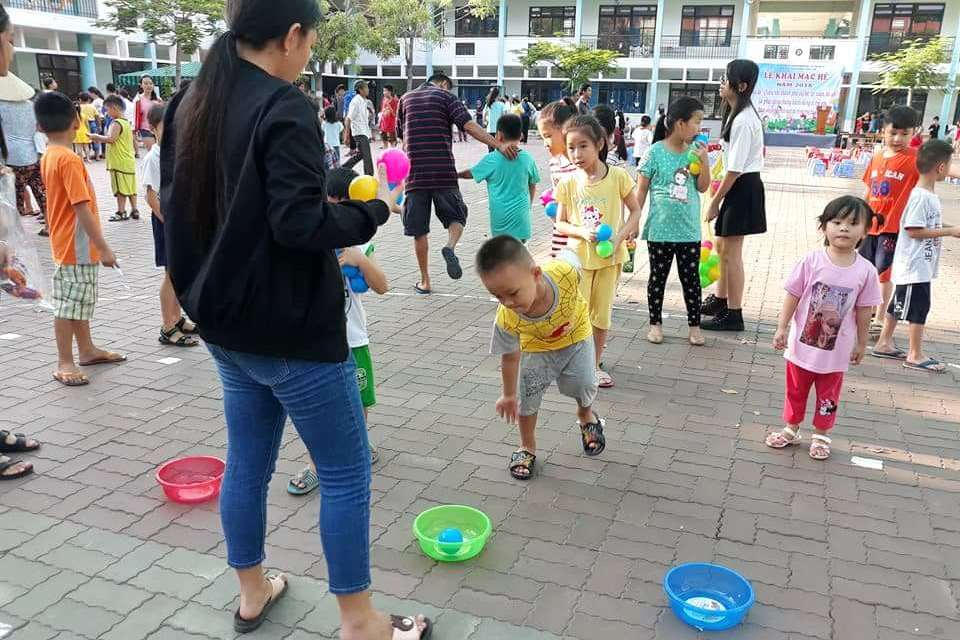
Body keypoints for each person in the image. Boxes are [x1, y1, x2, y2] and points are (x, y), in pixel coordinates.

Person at [163, 0, 431, 636]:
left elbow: (201, 205)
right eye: (310, 42)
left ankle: (252, 592)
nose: (309, 55)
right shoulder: (284, 105)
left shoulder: (189, 100)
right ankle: (360, 622)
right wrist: (372, 213)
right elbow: (299, 224)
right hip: (291, 333)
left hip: (224, 325)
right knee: (345, 473)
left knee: (248, 461)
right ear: (290, 36)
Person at [288, 168, 391, 494]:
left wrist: (361, 260)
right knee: (316, 407)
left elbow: (382, 286)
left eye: (344, 207)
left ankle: (359, 444)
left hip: (354, 340)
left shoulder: (361, 245)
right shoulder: (311, 241)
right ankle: (315, 464)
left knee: (359, 402)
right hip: (316, 342)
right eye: (331, 205)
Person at [476, 236, 606, 480]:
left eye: (512, 293)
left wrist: (573, 243)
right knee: (528, 398)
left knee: (583, 384)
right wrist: (508, 395)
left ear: (536, 274)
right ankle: (527, 446)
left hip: (576, 337)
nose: (507, 302)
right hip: (536, 348)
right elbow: (510, 358)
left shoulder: (565, 273)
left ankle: (586, 415)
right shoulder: (506, 318)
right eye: (498, 296)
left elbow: (571, 254)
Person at [766, 196, 881, 461]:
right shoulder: (811, 261)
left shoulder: (866, 271)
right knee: (796, 390)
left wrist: (862, 342)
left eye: (853, 223)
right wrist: (782, 327)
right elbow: (793, 294)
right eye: (836, 222)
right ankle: (791, 429)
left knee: (828, 396)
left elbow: (865, 309)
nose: (844, 228)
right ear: (824, 226)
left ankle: (821, 435)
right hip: (801, 346)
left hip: (836, 353)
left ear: (866, 230)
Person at [396, 72, 517, 295]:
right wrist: (498, 145)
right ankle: (449, 246)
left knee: (419, 231)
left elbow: (400, 136)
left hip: (415, 174)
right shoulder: (447, 97)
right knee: (457, 216)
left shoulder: (405, 99)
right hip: (442, 170)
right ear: (444, 84)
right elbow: (468, 125)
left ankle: (425, 281)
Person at [36, 91, 124, 387]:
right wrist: (104, 247)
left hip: (65, 241)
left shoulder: (49, 155)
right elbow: (81, 207)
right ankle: (65, 361)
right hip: (77, 244)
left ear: (40, 126)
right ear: (77, 121)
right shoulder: (69, 160)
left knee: (77, 300)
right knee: (67, 304)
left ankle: (86, 349)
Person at [553, 115, 643, 389]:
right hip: (578, 259)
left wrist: (618, 238)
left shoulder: (618, 176)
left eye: (583, 146)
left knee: (601, 315)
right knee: (576, 314)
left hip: (608, 259)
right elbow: (560, 222)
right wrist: (582, 232)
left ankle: (594, 364)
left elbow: (635, 210)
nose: (577, 154)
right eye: (571, 148)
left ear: (599, 144)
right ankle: (574, 362)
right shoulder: (568, 182)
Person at [872, 139, 960, 372]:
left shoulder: (927, 195)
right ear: (941, 167)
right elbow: (914, 230)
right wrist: (949, 231)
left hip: (918, 264)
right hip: (914, 265)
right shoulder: (921, 196)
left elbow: (927, 225)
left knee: (899, 304)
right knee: (918, 309)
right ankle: (915, 354)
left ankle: (883, 342)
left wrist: (949, 229)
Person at [635, 97, 710, 347]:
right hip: (660, 229)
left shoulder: (695, 152)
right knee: (658, 278)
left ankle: (694, 326)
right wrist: (634, 220)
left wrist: (705, 162)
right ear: (680, 123)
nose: (699, 127)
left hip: (688, 230)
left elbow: (702, 187)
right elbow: (641, 190)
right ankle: (655, 324)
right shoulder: (654, 152)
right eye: (696, 121)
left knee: (691, 281)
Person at [702, 59, 766, 332]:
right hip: (739, 185)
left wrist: (715, 203)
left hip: (742, 186)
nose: (721, 83)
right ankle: (721, 300)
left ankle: (734, 313)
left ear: (740, 86)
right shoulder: (736, 114)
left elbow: (735, 169)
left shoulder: (743, 120)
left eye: (725, 79)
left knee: (733, 253)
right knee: (724, 249)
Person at [140, 103, 198, 347]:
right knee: (170, 273)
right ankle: (167, 326)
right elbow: (150, 195)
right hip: (166, 222)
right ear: (153, 128)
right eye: (168, 126)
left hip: (178, 220)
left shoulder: (174, 153)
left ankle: (177, 318)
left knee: (178, 271)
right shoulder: (153, 157)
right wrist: (168, 221)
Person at [858, 105, 919, 334]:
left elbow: (941, 171)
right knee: (865, 270)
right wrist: (859, 216)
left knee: (884, 274)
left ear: (914, 133)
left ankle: (879, 318)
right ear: (883, 130)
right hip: (870, 227)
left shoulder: (916, 159)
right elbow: (868, 190)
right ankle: (864, 310)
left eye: (904, 134)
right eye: (893, 132)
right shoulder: (876, 158)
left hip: (893, 228)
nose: (897, 139)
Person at [458, 113, 540, 242]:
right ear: (521, 135)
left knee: (502, 249)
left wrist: (457, 175)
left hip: (501, 217)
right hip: (522, 216)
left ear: (499, 135)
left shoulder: (492, 159)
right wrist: (528, 205)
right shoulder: (528, 159)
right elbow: (533, 184)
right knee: (520, 249)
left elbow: (470, 174)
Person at [0, 68, 47, 220]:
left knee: (13, 198)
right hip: (33, 155)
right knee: (41, 192)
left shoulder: (2, 107)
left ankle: (15, 229)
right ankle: (49, 225)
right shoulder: (32, 106)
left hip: (12, 158)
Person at [536, 97, 579, 256]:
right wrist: (552, 204)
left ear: (565, 130)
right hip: (561, 237)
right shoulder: (554, 163)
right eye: (542, 138)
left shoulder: (582, 165)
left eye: (548, 136)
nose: (545, 143)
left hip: (581, 238)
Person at [90, 95, 139, 221]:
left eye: (107, 110)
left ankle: (121, 212)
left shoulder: (116, 123)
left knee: (120, 188)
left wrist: (96, 137)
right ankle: (134, 209)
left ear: (114, 108)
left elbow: (111, 139)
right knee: (130, 186)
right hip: (127, 160)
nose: (106, 113)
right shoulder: (126, 122)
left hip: (118, 161)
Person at [343, 79, 373, 175]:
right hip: (359, 133)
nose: (368, 89)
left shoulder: (363, 101)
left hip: (364, 132)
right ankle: (369, 176)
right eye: (366, 87)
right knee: (367, 157)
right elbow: (348, 118)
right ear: (360, 89)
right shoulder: (356, 101)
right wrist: (347, 135)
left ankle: (342, 169)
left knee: (360, 155)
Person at [133, 75, 162, 152]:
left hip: (158, 129)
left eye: (150, 83)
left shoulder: (158, 99)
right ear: (141, 85)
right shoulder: (138, 99)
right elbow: (135, 116)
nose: (148, 86)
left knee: (160, 152)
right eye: (145, 83)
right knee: (153, 151)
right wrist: (135, 132)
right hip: (145, 130)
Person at [483, 87, 506, 152]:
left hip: (490, 129)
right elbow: (504, 117)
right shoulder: (501, 104)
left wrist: (486, 122)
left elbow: (484, 117)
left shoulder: (488, 104)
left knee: (491, 149)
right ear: (498, 95)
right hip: (499, 129)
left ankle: (491, 158)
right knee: (499, 148)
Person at [321, 105, 343, 170]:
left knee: (328, 162)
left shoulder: (324, 123)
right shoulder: (338, 124)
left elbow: (322, 131)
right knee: (337, 162)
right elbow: (341, 130)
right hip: (336, 145)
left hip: (327, 146)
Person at [72, 95, 94, 161]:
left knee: (79, 147)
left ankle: (81, 158)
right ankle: (88, 158)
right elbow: (87, 124)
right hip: (84, 131)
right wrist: (89, 131)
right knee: (86, 146)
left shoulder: (73, 116)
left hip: (77, 131)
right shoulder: (83, 115)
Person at [378, 84, 399, 149]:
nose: (384, 93)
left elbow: (395, 115)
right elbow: (382, 111)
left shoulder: (395, 101)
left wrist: (390, 107)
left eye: (385, 91)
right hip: (383, 125)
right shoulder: (384, 99)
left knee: (392, 144)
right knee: (384, 142)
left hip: (391, 126)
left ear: (390, 92)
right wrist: (379, 122)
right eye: (383, 91)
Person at [87, 86, 105, 159]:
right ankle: (101, 153)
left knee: (99, 138)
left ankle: (101, 153)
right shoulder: (97, 101)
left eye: (89, 93)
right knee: (100, 137)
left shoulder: (97, 101)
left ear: (93, 93)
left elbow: (99, 112)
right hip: (100, 119)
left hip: (99, 120)